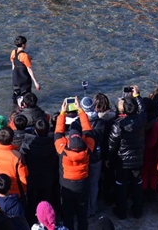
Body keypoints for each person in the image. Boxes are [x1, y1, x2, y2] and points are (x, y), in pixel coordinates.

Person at [54, 96, 94, 230]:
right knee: (82, 214)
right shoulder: (88, 149)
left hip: (66, 185)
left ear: (68, 141)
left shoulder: (62, 150)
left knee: (68, 214)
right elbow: (88, 130)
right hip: (82, 184)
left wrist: (62, 113)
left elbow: (58, 132)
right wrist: (81, 111)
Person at [108, 88, 146, 220]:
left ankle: (121, 211)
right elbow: (143, 110)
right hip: (138, 158)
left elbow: (112, 146)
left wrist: (108, 158)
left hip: (122, 161)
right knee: (137, 184)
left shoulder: (118, 125)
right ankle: (137, 211)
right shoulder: (141, 120)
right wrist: (137, 96)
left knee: (121, 185)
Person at [10, 36, 41, 102]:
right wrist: (36, 82)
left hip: (15, 79)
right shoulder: (25, 56)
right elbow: (29, 69)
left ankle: (15, 109)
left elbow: (13, 65)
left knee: (16, 95)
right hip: (24, 80)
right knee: (26, 97)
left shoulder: (13, 52)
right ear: (23, 44)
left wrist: (14, 75)